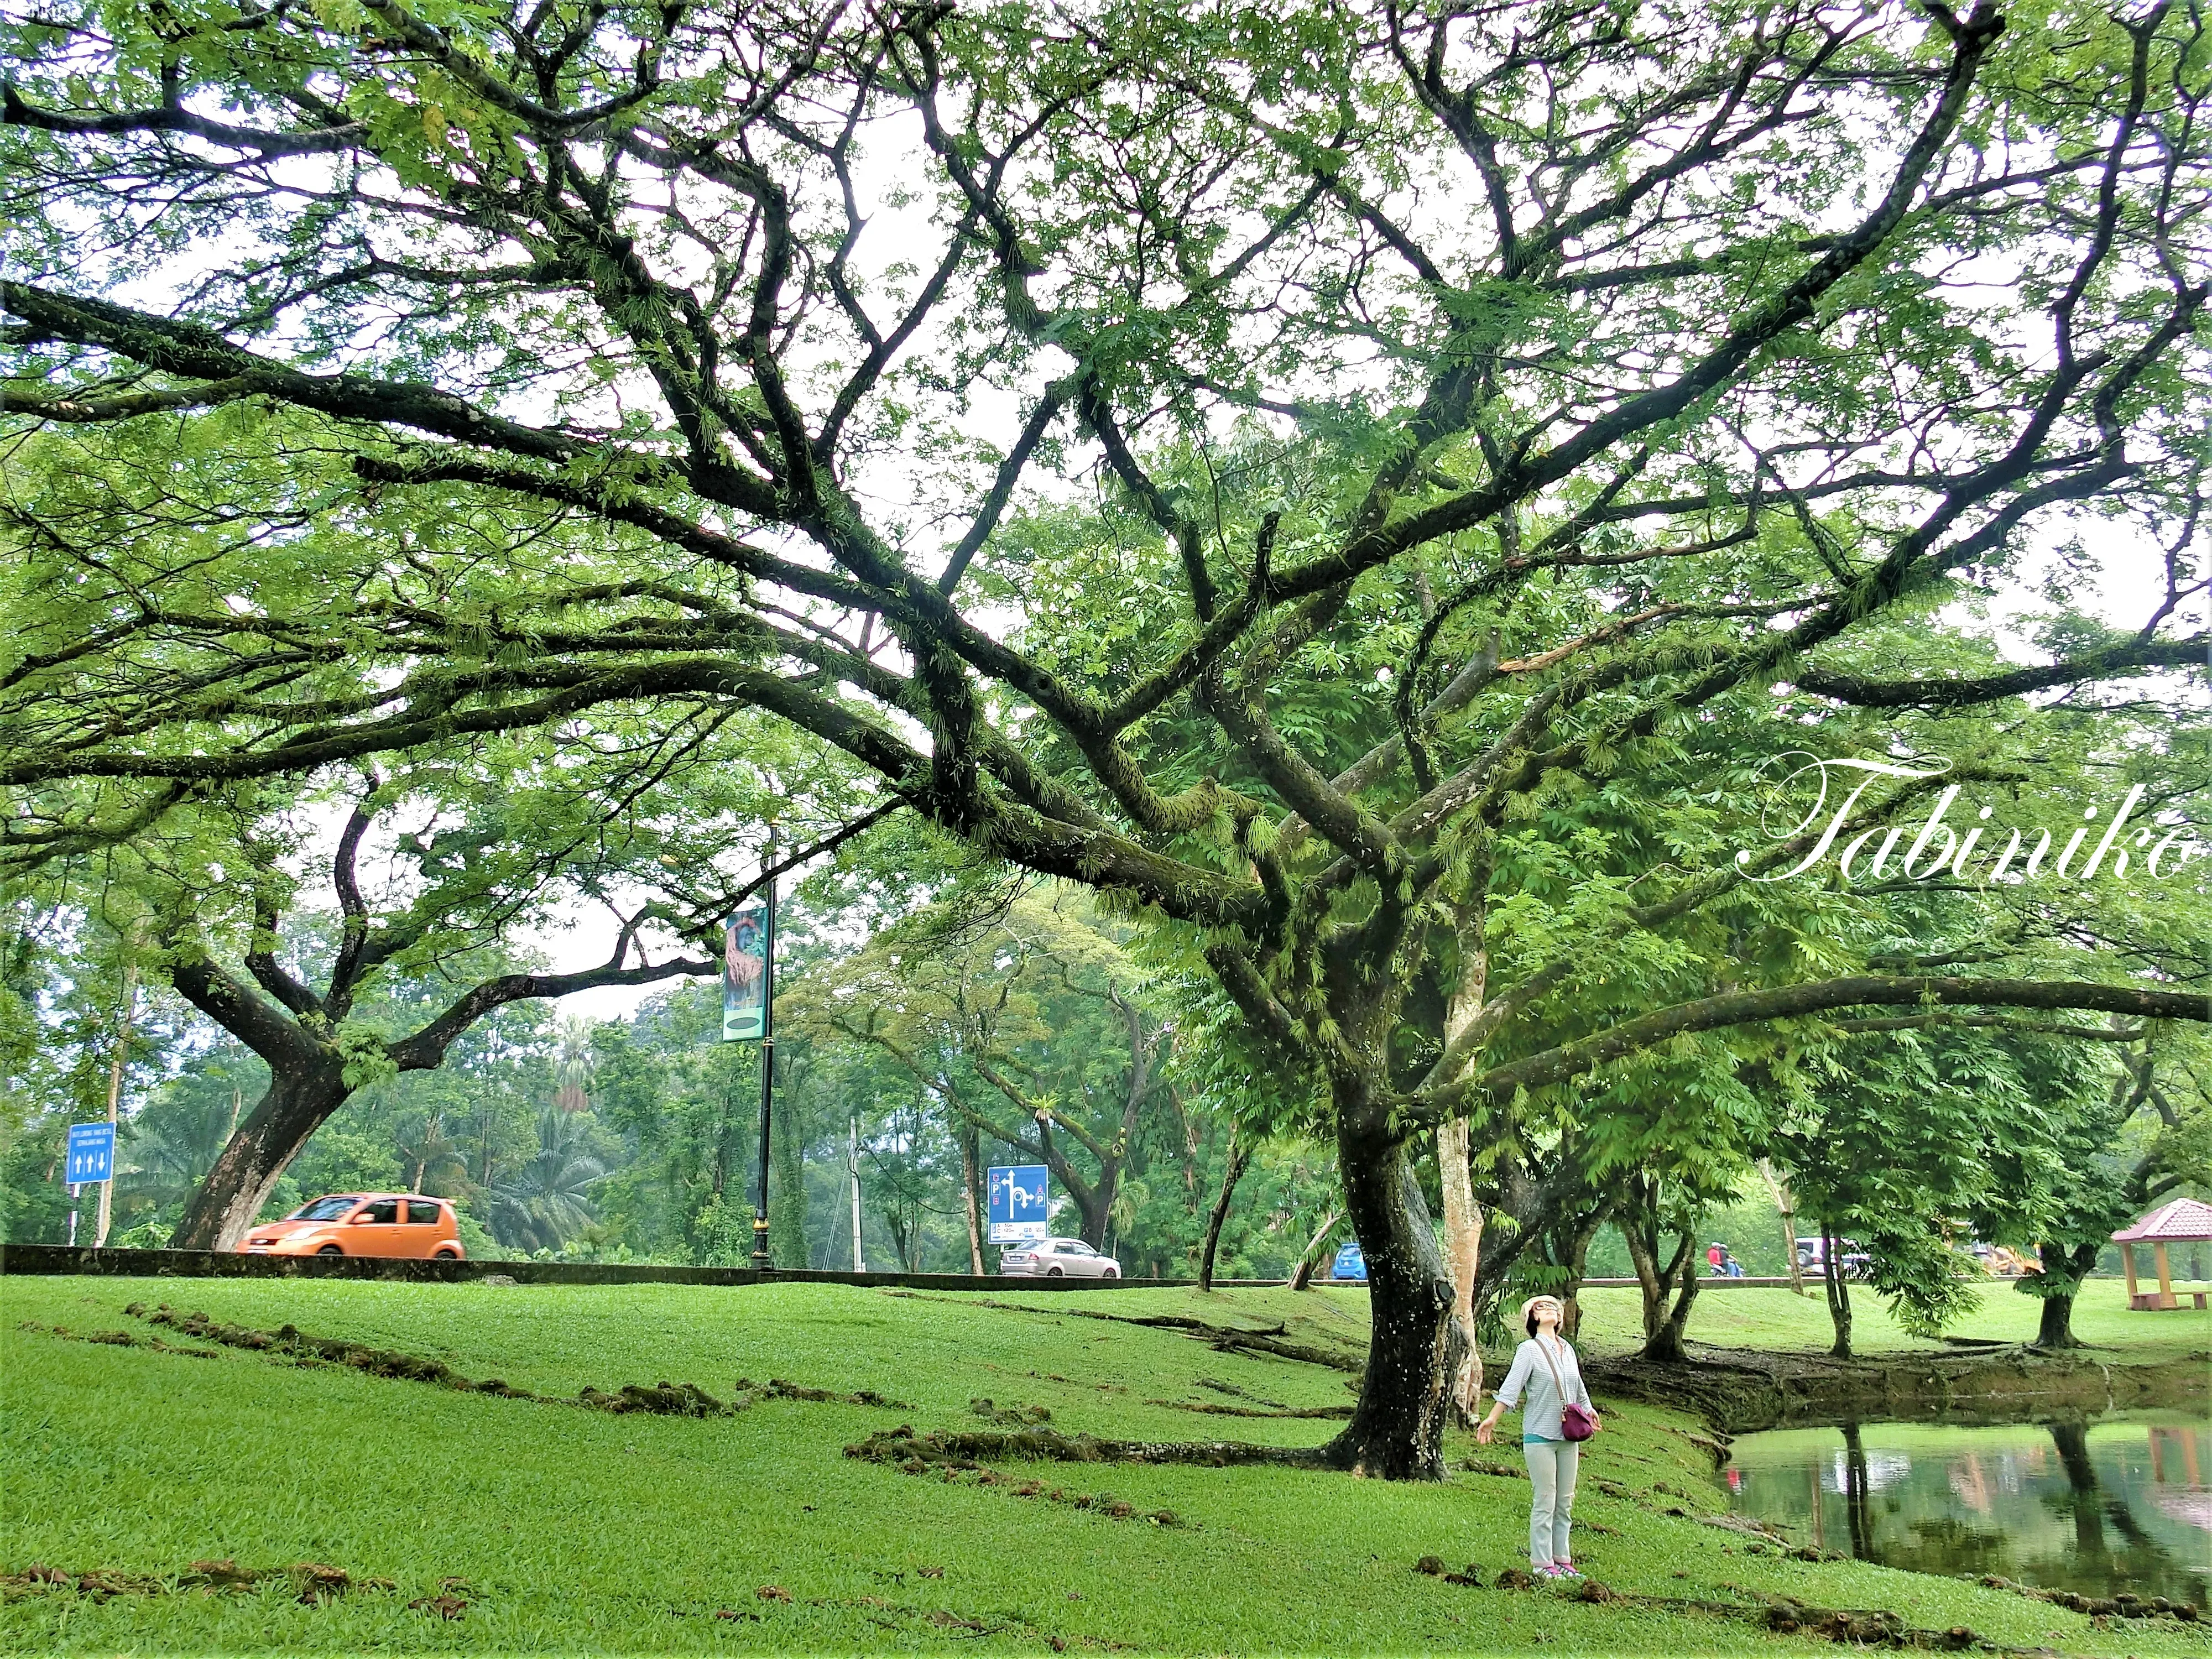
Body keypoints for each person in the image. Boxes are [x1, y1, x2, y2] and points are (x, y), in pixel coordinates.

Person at [1476, 1294, 1600, 1579]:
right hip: (1540, 1435)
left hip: (1568, 1436)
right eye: (1541, 1307)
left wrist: (1589, 1409)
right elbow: (1512, 1387)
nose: (1549, 1310)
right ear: (1532, 1317)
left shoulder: (1567, 1349)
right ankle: (1542, 1564)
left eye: (1553, 1307)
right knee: (1545, 1499)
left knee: (1565, 1501)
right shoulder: (1528, 1350)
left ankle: (1562, 1560)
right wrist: (1492, 1418)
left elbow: (1577, 1385)